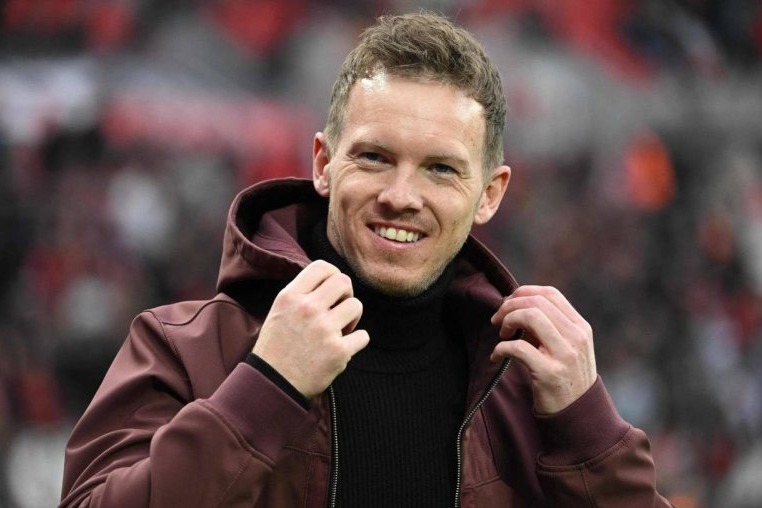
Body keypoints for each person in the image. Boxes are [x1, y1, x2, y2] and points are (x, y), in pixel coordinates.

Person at [60, 12, 672, 507]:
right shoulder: (184, 348)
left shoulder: (532, 392)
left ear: (490, 193)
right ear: (324, 164)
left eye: (440, 169)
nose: (401, 196)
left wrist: (590, 428)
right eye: (375, 158)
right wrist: (265, 390)